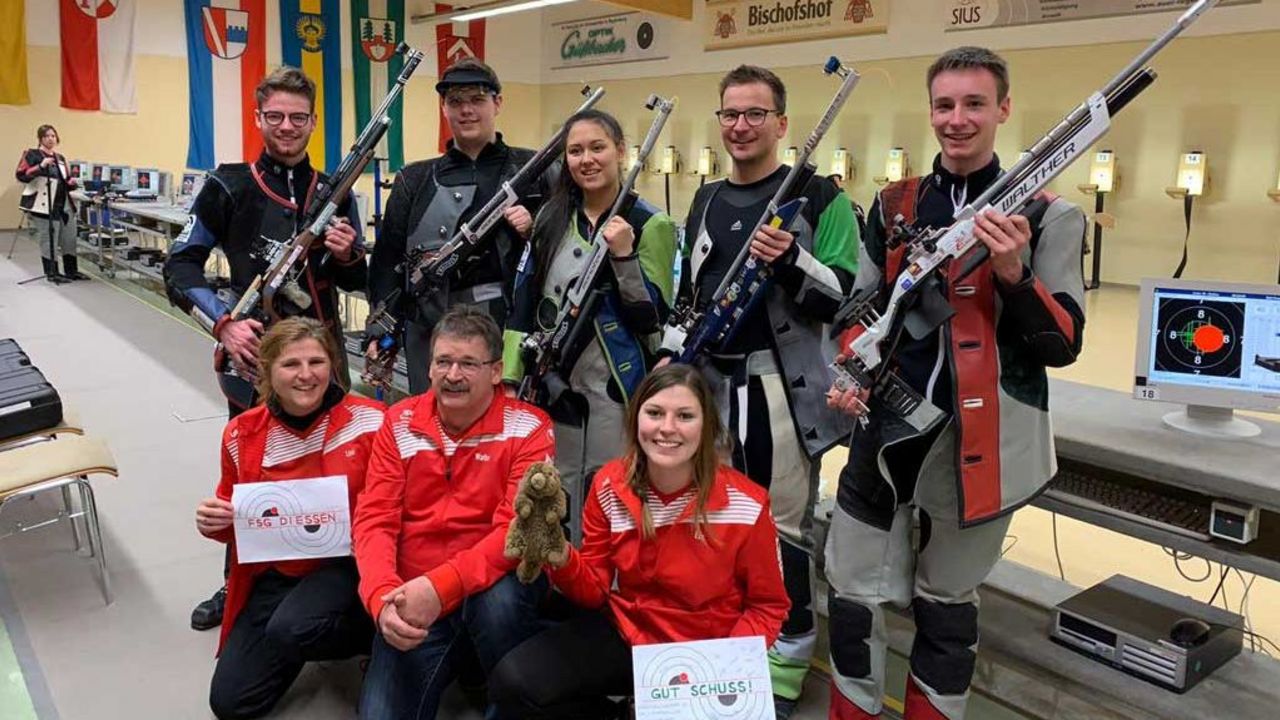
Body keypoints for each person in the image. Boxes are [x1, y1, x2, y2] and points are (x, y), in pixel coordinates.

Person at [824, 47, 1086, 720]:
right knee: (850, 594)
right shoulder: (893, 203)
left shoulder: (1053, 215)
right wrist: (852, 367)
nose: (958, 119)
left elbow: (1063, 344)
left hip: (983, 441)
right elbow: (860, 304)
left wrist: (1012, 273)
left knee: (946, 606)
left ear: (1003, 108)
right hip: (885, 431)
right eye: (945, 104)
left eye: (975, 104)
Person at [661, 64, 859, 717]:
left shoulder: (821, 198)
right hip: (708, 381)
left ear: (781, 123)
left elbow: (845, 296)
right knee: (710, 515)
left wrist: (792, 260)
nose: (740, 126)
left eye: (754, 114)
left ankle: (790, 647)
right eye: (730, 114)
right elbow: (691, 292)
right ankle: (729, 629)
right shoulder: (707, 198)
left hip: (776, 384)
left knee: (780, 525)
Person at [165, 66, 366, 632]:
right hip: (254, 360)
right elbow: (178, 264)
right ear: (258, 118)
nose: (286, 126)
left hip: (327, 362)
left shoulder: (336, 192)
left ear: (313, 122)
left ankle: (339, 582)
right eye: (274, 116)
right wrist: (224, 324)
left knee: (338, 472)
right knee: (252, 478)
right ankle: (240, 583)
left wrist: (350, 254)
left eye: (297, 117)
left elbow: (356, 283)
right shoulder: (227, 184)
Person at [489, 364, 790, 719]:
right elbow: (595, 591)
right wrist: (561, 556)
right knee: (512, 682)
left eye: (685, 416)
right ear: (636, 419)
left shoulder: (747, 505)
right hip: (631, 634)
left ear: (706, 425)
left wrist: (722, 668)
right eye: (655, 413)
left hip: (708, 650)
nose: (667, 428)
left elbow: (767, 606)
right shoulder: (608, 484)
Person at [353, 306, 555, 720]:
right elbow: (375, 518)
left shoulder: (529, 428)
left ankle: (509, 690)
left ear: (497, 371)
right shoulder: (399, 421)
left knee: (499, 606)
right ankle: (467, 659)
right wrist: (381, 596)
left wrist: (440, 587)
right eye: (443, 361)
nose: (453, 374)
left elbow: (514, 532)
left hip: (492, 584)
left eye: (468, 363)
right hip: (414, 590)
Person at [194, 317, 383, 720]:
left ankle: (378, 637)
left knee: (293, 627)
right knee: (232, 702)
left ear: (332, 365)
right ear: (266, 370)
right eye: (291, 365)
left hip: (351, 564)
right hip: (278, 571)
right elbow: (236, 516)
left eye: (317, 362)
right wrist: (216, 522)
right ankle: (307, 633)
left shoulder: (371, 420)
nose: (306, 375)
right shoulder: (240, 433)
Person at [503, 108, 677, 541]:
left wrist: (624, 257)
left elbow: (652, 318)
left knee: (611, 490)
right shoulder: (551, 217)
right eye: (575, 151)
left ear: (620, 151)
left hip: (616, 383)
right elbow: (525, 298)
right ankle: (559, 585)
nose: (587, 159)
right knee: (551, 487)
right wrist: (511, 378)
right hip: (553, 379)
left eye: (597, 147)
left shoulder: (650, 223)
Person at [366, 58, 541, 394]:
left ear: (497, 103)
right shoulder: (414, 179)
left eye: (477, 100)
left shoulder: (533, 170)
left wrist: (534, 230)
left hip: (506, 329)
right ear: (443, 107)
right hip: (428, 330)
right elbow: (387, 260)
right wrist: (381, 324)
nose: (466, 111)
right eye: (456, 102)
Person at [15, 124, 83, 282]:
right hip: (43, 204)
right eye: (47, 136)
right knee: (48, 239)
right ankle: (52, 273)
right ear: (40, 139)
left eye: (53, 136)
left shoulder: (60, 158)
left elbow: (67, 180)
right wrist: (40, 166)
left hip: (64, 203)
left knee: (69, 237)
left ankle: (71, 271)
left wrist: (73, 182)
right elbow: (21, 175)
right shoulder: (32, 154)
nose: (51, 139)